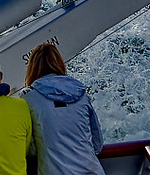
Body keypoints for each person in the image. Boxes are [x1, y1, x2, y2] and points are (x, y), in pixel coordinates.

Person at [21, 42, 105, 175]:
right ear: (60, 63)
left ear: (32, 67)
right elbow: (97, 144)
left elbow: (30, 148)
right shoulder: (81, 92)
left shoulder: (28, 96)